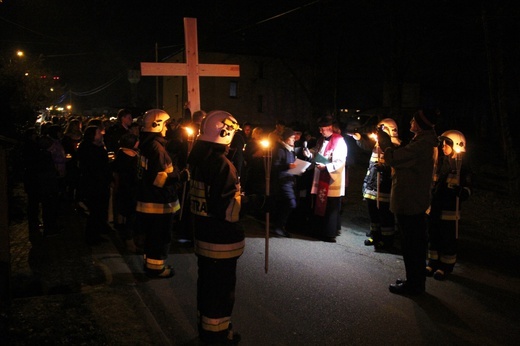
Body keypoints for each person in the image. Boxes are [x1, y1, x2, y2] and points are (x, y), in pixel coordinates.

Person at [187, 110, 242, 344]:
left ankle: (206, 330)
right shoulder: (222, 165)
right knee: (221, 291)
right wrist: (250, 201)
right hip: (222, 239)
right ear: (225, 132)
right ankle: (218, 335)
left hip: (204, 235)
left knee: (206, 286)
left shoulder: (198, 159)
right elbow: (227, 208)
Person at [377, 109, 439, 295]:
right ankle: (413, 280)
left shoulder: (422, 145)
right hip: (413, 200)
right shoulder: (422, 142)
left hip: (411, 202)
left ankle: (414, 285)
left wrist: (385, 143)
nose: (411, 121)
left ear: (420, 125)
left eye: (414, 119)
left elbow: (395, 158)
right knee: (413, 244)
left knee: (412, 245)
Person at [136, 109, 189, 278]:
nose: (167, 127)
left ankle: (149, 263)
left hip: (148, 199)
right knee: (160, 237)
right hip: (159, 202)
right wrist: (181, 176)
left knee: (151, 236)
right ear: (156, 125)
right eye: (165, 124)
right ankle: (156, 269)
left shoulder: (146, 144)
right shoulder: (156, 148)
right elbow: (160, 179)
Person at [349, 118, 401, 249]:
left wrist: (384, 167)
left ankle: (387, 239)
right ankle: (375, 234)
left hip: (384, 185)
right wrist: (359, 138)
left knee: (385, 213)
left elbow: (396, 165)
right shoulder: (378, 144)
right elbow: (366, 146)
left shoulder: (394, 146)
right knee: (373, 211)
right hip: (373, 184)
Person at [427, 130, 471, 280]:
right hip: (435, 207)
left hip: (450, 211)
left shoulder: (462, 168)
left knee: (448, 239)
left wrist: (461, 191)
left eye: (447, 143)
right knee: (434, 236)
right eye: (443, 143)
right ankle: (432, 262)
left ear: (457, 145)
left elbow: (468, 189)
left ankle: (445, 267)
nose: (443, 146)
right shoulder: (440, 162)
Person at [303, 115, 348, 242]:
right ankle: (320, 230)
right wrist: (310, 153)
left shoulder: (339, 141)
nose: (320, 131)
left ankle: (329, 233)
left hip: (332, 178)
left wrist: (326, 167)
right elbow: (318, 152)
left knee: (331, 207)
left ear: (330, 128)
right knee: (322, 204)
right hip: (322, 175)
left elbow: (340, 161)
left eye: (322, 129)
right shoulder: (322, 140)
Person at [77, 125, 112, 245]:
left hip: (98, 183)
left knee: (98, 210)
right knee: (95, 210)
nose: (101, 135)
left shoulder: (95, 147)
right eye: (98, 133)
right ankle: (92, 236)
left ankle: (97, 231)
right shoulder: (91, 149)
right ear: (92, 135)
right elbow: (95, 167)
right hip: (94, 184)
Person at [112, 133, 142, 253]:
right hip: (132, 189)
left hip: (123, 188)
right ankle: (130, 242)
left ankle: (127, 238)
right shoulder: (132, 157)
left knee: (126, 214)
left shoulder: (120, 154)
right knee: (131, 216)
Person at [271, 127, 297, 237]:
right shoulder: (280, 150)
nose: (294, 140)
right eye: (292, 138)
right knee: (291, 203)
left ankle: (279, 226)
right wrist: (288, 166)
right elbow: (275, 166)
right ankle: (279, 226)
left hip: (289, 180)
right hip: (283, 181)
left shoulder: (290, 149)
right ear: (286, 139)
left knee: (283, 204)